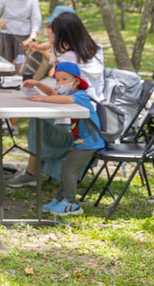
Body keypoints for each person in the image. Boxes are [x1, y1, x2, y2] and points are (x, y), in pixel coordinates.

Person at [9, 11, 105, 188]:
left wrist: (40, 96)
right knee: (40, 118)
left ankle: (33, 172)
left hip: (78, 123)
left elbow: (62, 96)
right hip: (96, 115)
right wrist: (40, 85)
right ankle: (37, 170)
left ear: (65, 37)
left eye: (53, 37)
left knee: (37, 121)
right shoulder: (95, 51)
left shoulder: (68, 58)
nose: (50, 41)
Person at [22, 62, 104, 215]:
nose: (60, 84)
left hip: (90, 141)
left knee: (68, 169)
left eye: (64, 79)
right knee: (66, 168)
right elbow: (54, 95)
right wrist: (38, 84)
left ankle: (71, 203)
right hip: (81, 141)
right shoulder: (69, 93)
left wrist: (41, 99)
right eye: (57, 80)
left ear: (76, 81)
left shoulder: (80, 95)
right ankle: (61, 198)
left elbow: (64, 100)